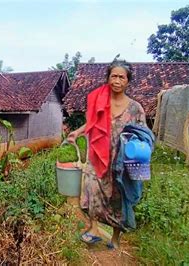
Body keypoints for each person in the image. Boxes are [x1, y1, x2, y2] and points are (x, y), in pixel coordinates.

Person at [67, 60, 147, 249]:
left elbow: (144, 135)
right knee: (91, 188)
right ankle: (94, 228)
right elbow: (92, 122)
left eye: (121, 77)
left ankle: (115, 237)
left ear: (128, 81)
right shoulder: (101, 101)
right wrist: (77, 132)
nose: (117, 80)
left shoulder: (136, 108)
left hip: (121, 160)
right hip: (98, 154)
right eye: (114, 76)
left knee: (117, 196)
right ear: (108, 78)